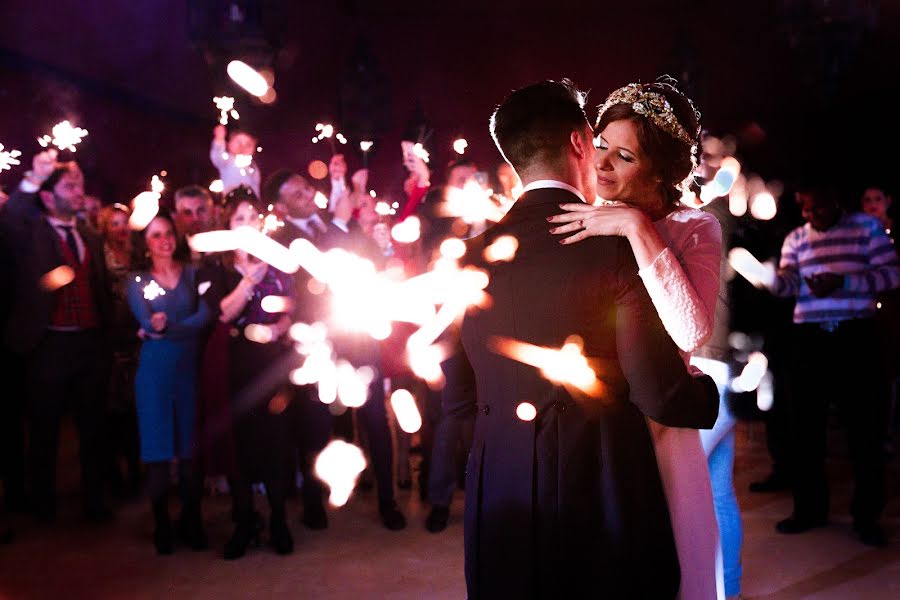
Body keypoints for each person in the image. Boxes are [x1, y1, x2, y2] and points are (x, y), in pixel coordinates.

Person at [442, 78, 719, 599]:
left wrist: (484, 465)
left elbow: (457, 394)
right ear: (579, 143)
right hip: (599, 480)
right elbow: (657, 391)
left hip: (497, 486)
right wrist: (710, 396)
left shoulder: (469, 254)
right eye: (599, 144)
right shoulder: (613, 247)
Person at [548, 81, 729, 599]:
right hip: (591, 416)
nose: (601, 164)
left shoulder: (695, 228)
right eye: (600, 144)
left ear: (658, 171)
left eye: (623, 155)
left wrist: (634, 227)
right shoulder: (583, 215)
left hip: (658, 423)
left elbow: (692, 330)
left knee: (671, 567)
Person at [760, 187, 899, 547]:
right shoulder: (795, 238)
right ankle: (809, 510)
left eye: (816, 205)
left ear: (836, 199)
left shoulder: (866, 228)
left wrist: (845, 281)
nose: (809, 214)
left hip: (857, 338)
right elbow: (789, 284)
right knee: (805, 430)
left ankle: (866, 517)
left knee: (864, 432)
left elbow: (892, 276)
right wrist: (773, 281)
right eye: (803, 207)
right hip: (809, 341)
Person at [2, 162, 112, 523]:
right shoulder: (27, 231)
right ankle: (44, 504)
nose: (79, 192)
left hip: (89, 344)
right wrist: (34, 175)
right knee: (45, 429)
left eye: (80, 185)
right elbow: (10, 214)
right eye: (70, 186)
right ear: (48, 197)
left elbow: (99, 290)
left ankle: (95, 500)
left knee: (93, 427)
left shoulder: (90, 235)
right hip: (47, 344)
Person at [200, 190, 296, 559]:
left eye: (251, 219)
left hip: (269, 359)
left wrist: (280, 327)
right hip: (233, 359)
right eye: (238, 219)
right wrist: (248, 282)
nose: (246, 226)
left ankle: (278, 520)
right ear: (228, 226)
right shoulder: (216, 269)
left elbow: (291, 309)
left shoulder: (279, 264)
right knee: (238, 442)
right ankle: (244, 522)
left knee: (272, 439)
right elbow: (222, 314)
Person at [127, 211, 211, 555]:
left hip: (188, 368)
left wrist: (165, 330)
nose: (165, 240)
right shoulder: (137, 281)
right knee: (158, 451)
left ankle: (192, 520)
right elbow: (143, 318)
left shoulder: (193, 274)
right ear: (146, 245)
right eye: (156, 235)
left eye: (168, 233)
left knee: (190, 450)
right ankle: (162, 523)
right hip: (155, 372)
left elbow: (205, 316)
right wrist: (152, 326)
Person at [98, 204, 142, 497]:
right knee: (112, 412)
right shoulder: (100, 259)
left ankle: (137, 473)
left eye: (123, 222)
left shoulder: (138, 255)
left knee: (135, 411)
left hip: (138, 336)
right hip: (111, 340)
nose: (120, 228)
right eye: (114, 224)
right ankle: (113, 475)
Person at [211, 125, 261, 197]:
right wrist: (219, 139)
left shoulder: (253, 167)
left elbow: (256, 188)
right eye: (239, 142)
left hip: (251, 202)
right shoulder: (227, 161)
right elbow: (217, 156)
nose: (243, 147)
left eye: (248, 144)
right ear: (229, 144)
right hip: (232, 201)